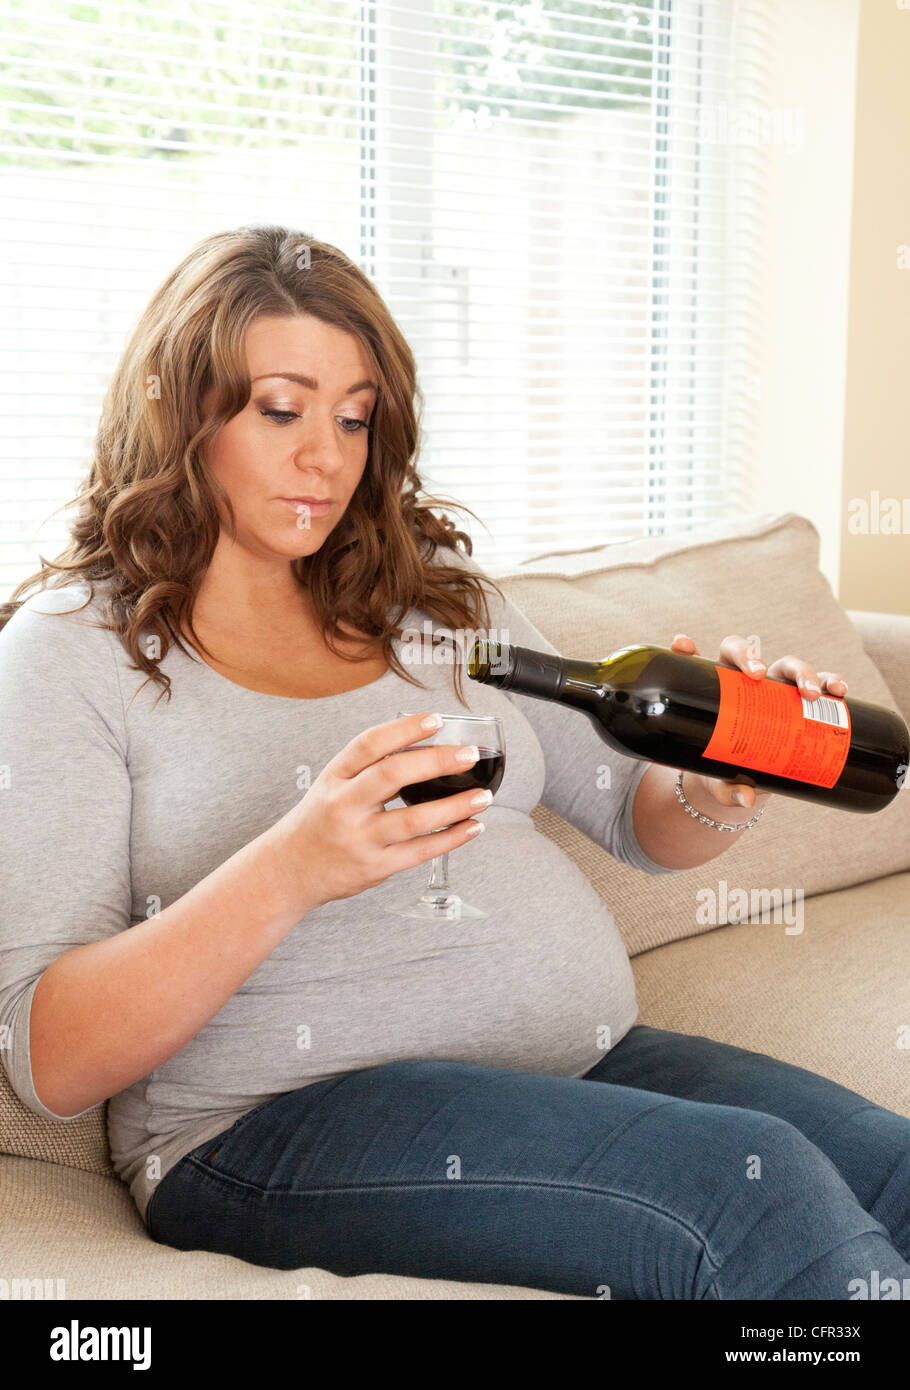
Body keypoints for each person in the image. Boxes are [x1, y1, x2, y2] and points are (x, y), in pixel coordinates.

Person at [1, 226, 907, 1301]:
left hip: (574, 1066)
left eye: (354, 416)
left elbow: (631, 815)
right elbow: (49, 1059)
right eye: (281, 410)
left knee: (894, 1175)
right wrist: (294, 865)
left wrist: (713, 788)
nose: (325, 456)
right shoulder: (75, 652)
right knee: (755, 1200)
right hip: (266, 1128)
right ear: (179, 411)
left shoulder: (426, 595)